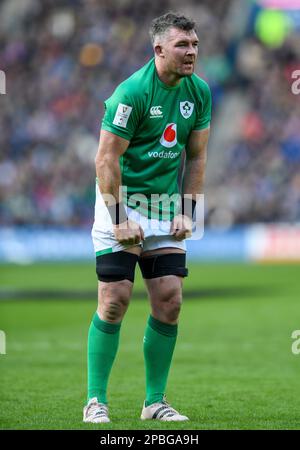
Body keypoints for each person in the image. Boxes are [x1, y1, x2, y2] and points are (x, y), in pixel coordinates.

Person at [83, 11, 211, 423]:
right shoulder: (132, 93)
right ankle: (95, 400)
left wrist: (190, 211)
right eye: (182, 46)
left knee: (170, 301)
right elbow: (105, 160)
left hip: (166, 209)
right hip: (119, 202)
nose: (191, 52)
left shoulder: (200, 92)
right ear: (158, 49)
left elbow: (196, 156)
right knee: (115, 300)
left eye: (194, 44)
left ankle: (154, 402)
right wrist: (120, 217)